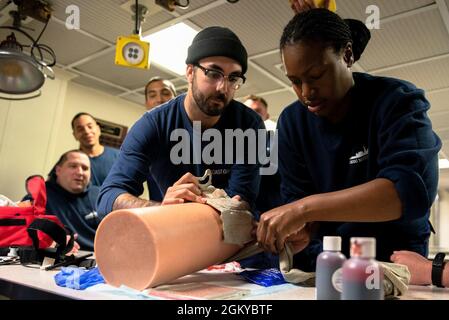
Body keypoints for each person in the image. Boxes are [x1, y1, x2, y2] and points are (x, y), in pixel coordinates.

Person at [256, 9, 441, 271]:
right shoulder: (292, 123)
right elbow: (299, 199)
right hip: (337, 255)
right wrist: (302, 230)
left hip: (399, 256)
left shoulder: (396, 101)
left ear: (348, 55)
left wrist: (304, 210)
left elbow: (406, 193)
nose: (306, 93)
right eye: (295, 82)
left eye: (316, 76)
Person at [97, 26, 263, 215]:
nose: (223, 87)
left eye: (233, 78)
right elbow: (108, 196)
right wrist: (163, 209)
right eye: (213, 73)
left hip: (225, 235)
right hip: (173, 225)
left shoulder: (249, 125)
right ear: (190, 72)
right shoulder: (153, 124)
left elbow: (241, 200)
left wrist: (190, 210)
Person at [45, 150, 103, 251]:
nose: (80, 172)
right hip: (59, 256)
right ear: (58, 170)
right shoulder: (41, 195)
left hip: (99, 257)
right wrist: (49, 242)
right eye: (73, 166)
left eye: (85, 168)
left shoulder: (101, 195)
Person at [144, 77, 178, 201]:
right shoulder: (143, 141)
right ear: (146, 103)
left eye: (165, 93)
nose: (159, 100)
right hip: (161, 213)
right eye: (152, 95)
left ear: (176, 98)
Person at [71, 112, 119, 187]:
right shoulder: (68, 160)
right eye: (80, 129)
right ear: (75, 135)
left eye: (90, 126)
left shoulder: (119, 157)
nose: (86, 131)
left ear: (98, 129)